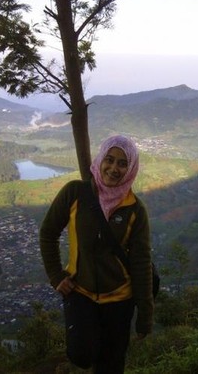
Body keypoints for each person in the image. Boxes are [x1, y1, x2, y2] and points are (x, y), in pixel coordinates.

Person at [39, 135, 153, 374]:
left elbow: (141, 264)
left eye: (123, 163)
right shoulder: (75, 194)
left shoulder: (135, 210)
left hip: (120, 298)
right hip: (80, 291)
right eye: (109, 160)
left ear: (131, 168)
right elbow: (48, 233)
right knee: (82, 353)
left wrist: (144, 313)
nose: (114, 168)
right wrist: (56, 275)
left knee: (111, 365)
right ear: (100, 159)